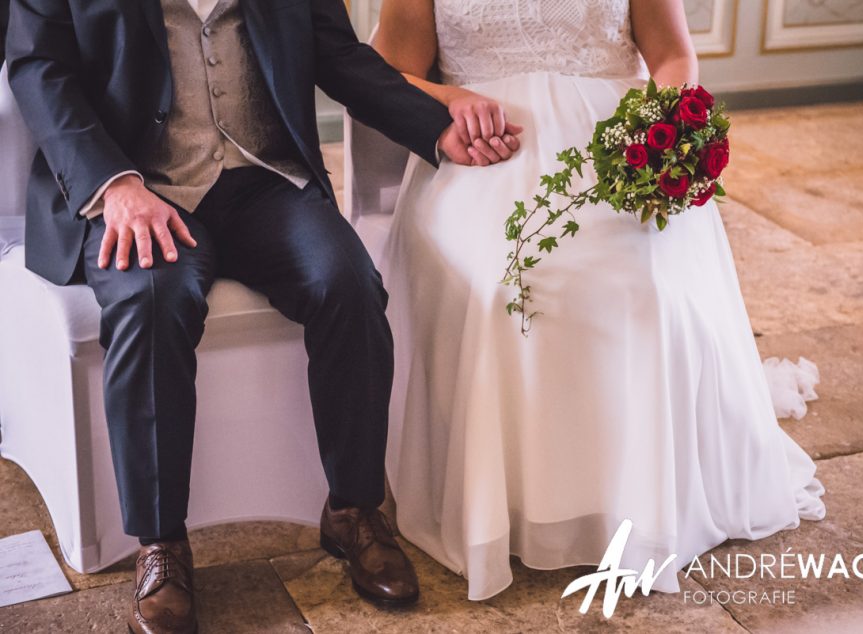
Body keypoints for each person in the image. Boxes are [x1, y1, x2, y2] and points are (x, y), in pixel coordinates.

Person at [5, 0, 519, 630]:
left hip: (263, 179)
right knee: (152, 300)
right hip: (137, 185)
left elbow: (340, 56)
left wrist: (434, 127)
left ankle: (353, 510)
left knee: (350, 285)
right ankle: (161, 544)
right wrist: (114, 184)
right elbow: (39, 70)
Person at [373, 0, 826, 600]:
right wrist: (450, 105)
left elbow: (671, 55)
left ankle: (637, 503)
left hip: (617, 149)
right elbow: (385, 71)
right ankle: (510, 503)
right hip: (483, 144)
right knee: (502, 287)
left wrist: (664, 136)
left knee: (641, 288)